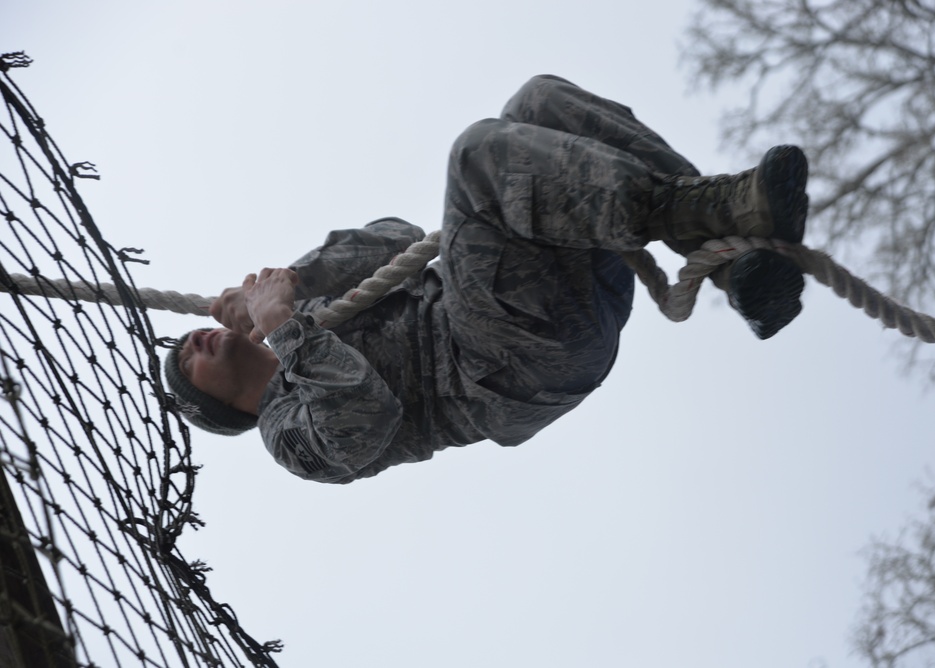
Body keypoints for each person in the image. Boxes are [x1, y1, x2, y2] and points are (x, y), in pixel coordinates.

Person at [165, 75, 808, 484]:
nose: (188, 343)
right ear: (214, 406)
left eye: (185, 338)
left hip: (534, 295)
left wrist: (297, 282)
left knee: (538, 102)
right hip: (506, 361)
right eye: (181, 364)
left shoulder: (315, 312)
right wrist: (282, 327)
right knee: (477, 155)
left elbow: (398, 241)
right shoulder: (288, 437)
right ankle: (724, 208)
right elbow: (366, 411)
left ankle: (735, 267)